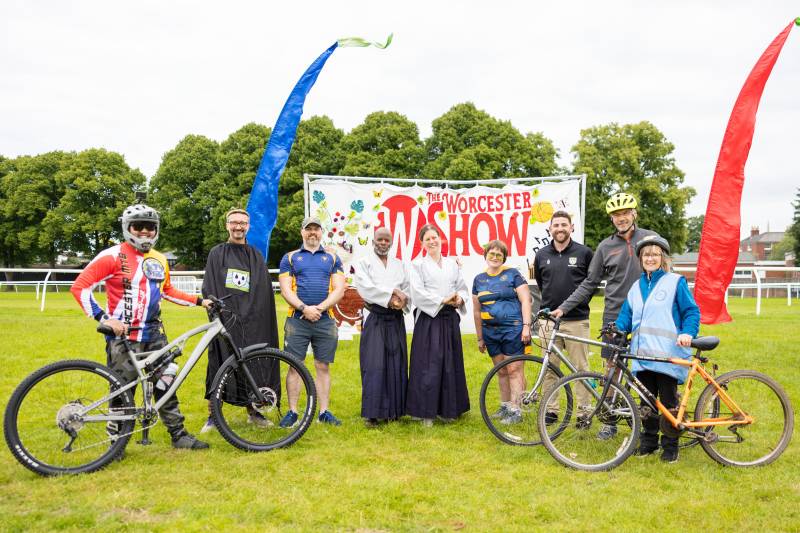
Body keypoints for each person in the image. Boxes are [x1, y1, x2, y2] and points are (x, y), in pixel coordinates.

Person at [70, 204, 210, 450]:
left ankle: (178, 435)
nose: (145, 232)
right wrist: (104, 318)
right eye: (139, 226)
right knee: (123, 391)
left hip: (155, 334)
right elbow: (80, 287)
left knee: (166, 382)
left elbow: (167, 291)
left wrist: (200, 301)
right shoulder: (112, 255)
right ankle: (117, 442)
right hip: (123, 336)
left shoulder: (159, 258)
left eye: (150, 227)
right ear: (128, 228)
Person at [551, 192, 656, 439]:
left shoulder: (651, 240)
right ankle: (609, 421)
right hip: (615, 314)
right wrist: (564, 307)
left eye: (625, 213)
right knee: (611, 368)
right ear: (612, 219)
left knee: (648, 368)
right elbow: (590, 283)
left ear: (634, 214)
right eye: (616, 215)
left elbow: (668, 275)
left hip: (647, 314)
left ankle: (648, 422)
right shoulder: (605, 247)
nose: (621, 218)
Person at [615, 235, 700, 463]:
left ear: (663, 258)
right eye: (646, 254)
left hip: (667, 354)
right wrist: (617, 329)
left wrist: (687, 333)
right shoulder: (636, 286)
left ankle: (671, 446)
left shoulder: (674, 282)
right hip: (642, 355)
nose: (650, 258)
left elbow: (691, 311)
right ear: (641, 259)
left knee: (668, 402)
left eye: (655, 254)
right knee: (647, 403)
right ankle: (649, 442)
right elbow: (626, 315)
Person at [200, 208, 280, 433]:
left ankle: (253, 411)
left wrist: (252, 315)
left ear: (248, 226)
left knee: (251, 364)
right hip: (225, 320)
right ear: (227, 225)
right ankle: (213, 415)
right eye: (234, 222)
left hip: (251, 322)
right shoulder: (217, 253)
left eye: (243, 223)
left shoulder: (255, 255)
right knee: (218, 363)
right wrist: (220, 313)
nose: (238, 227)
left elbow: (261, 290)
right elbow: (210, 286)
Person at [278, 216, 346, 426]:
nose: (312, 233)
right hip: (296, 320)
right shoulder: (290, 257)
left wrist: (319, 308)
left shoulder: (333, 258)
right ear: (302, 232)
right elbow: (285, 289)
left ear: (321, 232)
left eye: (316, 229)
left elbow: (340, 289)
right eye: (309, 229)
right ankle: (293, 412)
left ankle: (323, 412)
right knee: (294, 366)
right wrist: (303, 308)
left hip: (325, 320)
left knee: (322, 366)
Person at [533, 211, 594, 426]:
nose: (560, 228)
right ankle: (551, 410)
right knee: (549, 366)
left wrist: (569, 307)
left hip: (576, 320)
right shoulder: (541, 255)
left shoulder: (585, 252)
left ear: (571, 227)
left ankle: (584, 414)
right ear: (550, 229)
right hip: (548, 321)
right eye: (556, 225)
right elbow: (542, 284)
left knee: (581, 368)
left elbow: (590, 285)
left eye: (564, 224)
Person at [406, 224, 470, 426]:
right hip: (429, 318)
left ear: (441, 239)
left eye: (435, 237)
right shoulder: (417, 265)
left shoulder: (452, 264)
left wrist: (459, 299)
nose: (432, 241)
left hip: (449, 318)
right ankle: (426, 412)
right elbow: (417, 293)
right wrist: (442, 300)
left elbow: (462, 287)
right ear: (422, 243)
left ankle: (449, 409)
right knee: (428, 365)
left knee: (450, 363)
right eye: (428, 239)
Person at [353, 227, 411, 427]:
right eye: (380, 239)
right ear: (373, 241)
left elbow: (407, 288)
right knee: (374, 364)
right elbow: (366, 288)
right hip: (375, 316)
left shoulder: (399, 264)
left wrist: (401, 301)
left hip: (395, 317)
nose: (383, 243)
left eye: (387, 240)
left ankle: (395, 410)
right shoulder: (363, 263)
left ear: (391, 242)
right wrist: (391, 293)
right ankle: (373, 413)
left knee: (397, 362)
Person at [472, 240, 531, 425]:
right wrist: (480, 337)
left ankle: (517, 410)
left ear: (504, 257)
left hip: (513, 329)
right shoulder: (478, 279)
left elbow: (526, 300)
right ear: (485, 256)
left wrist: (526, 326)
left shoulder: (513, 274)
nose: (495, 257)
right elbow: (476, 310)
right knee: (501, 371)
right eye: (492, 253)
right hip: (491, 333)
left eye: (499, 254)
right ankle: (505, 406)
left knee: (514, 369)